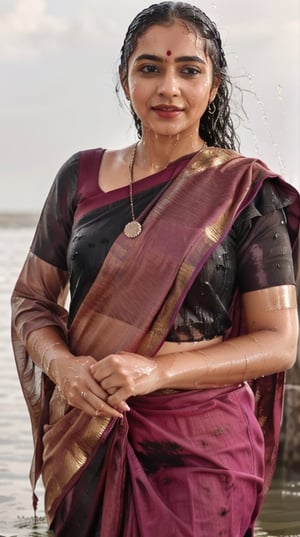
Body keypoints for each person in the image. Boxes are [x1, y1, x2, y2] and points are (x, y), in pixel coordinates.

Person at [11, 2, 299, 536]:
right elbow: (32, 300)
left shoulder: (245, 194)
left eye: (189, 70)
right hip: (86, 434)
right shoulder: (79, 177)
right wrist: (65, 369)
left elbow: (279, 341)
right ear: (125, 81)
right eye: (150, 68)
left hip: (200, 452)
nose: (169, 87)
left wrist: (157, 372)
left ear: (213, 86)